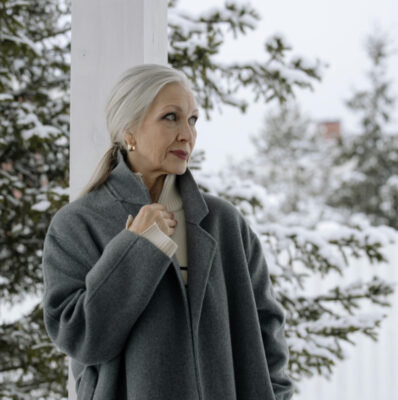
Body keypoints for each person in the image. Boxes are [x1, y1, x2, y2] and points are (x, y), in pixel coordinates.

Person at [41, 63, 295, 400]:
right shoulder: (77, 224)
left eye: (192, 120)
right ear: (129, 130)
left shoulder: (224, 223)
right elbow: (81, 336)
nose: (187, 135)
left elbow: (267, 333)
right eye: (170, 117)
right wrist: (136, 248)